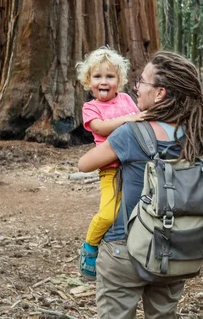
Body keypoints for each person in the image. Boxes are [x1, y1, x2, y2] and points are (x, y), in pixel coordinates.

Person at [78, 51, 203, 319]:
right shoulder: (194, 133)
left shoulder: (131, 132)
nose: (137, 87)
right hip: (174, 249)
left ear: (161, 93)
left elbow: (85, 164)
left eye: (142, 81)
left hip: (125, 250)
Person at [75, 46, 144, 281]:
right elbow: (100, 128)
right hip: (110, 169)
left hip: (134, 168)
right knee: (108, 214)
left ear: (119, 80)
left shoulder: (125, 99)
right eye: (97, 76)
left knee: (134, 211)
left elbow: (141, 121)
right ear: (88, 80)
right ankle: (90, 246)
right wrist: (130, 118)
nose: (103, 81)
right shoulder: (90, 107)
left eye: (110, 76)